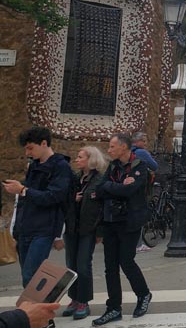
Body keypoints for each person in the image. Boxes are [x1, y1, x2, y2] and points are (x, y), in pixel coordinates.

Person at [92, 133, 152, 325]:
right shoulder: (113, 166)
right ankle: (113, 308)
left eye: (111, 147)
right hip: (110, 220)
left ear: (123, 148)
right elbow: (99, 190)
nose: (108, 150)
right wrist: (116, 185)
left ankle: (143, 295)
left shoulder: (139, 166)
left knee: (126, 261)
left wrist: (112, 187)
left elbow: (130, 191)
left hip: (130, 221)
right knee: (110, 266)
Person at [2, 127, 72, 288]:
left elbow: (53, 196)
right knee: (27, 275)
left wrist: (22, 190)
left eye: (30, 148)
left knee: (32, 274)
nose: (27, 153)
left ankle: (37, 309)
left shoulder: (60, 166)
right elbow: (25, 199)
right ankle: (36, 309)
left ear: (44, 143)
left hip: (44, 228)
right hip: (26, 227)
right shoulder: (33, 165)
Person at [61, 146, 107, 320]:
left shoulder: (99, 181)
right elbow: (66, 201)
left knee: (83, 265)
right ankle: (74, 298)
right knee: (71, 266)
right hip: (72, 228)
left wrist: (100, 232)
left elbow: (103, 208)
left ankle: (83, 301)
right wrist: (74, 200)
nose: (76, 160)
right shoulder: (76, 179)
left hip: (88, 229)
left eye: (80, 157)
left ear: (90, 159)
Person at [130, 132, 157, 253]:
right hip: (141, 187)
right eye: (144, 141)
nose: (146, 144)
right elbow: (154, 166)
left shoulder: (127, 152)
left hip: (128, 187)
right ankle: (138, 244)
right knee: (139, 215)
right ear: (137, 141)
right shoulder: (141, 152)